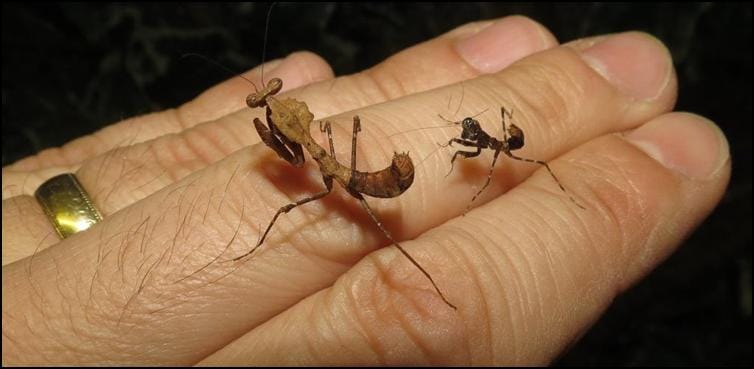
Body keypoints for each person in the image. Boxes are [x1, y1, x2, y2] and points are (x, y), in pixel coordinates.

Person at [2, 16, 730, 365]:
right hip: (362, 169)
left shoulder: (304, 147)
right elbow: (293, 136)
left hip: (372, 181)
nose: (272, 111)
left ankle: (414, 276)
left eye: (272, 106)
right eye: (271, 107)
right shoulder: (301, 132)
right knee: (312, 190)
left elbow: (294, 151)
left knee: (335, 227)